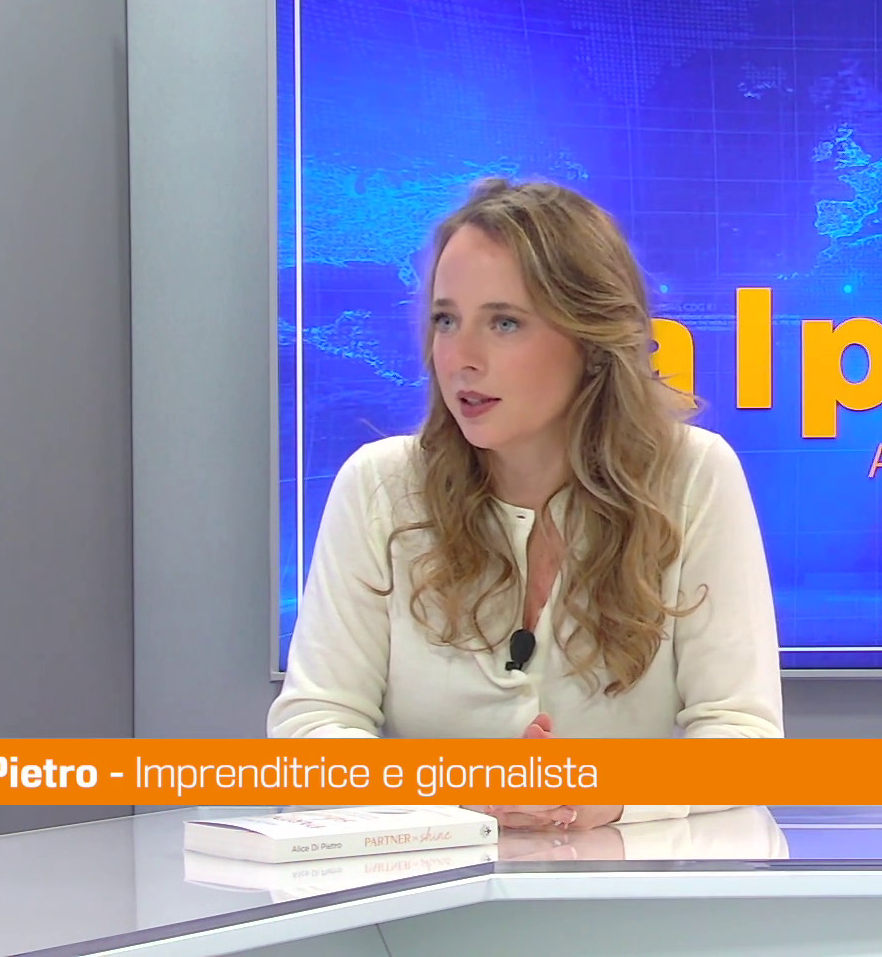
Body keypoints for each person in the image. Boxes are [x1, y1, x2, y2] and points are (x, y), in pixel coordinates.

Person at [269, 178, 784, 831]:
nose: (461, 359)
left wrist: (607, 792)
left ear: (590, 341)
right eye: (446, 320)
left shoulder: (692, 476)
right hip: (434, 889)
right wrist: (468, 789)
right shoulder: (379, 486)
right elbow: (311, 733)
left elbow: (745, 742)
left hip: (630, 886)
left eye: (504, 323)